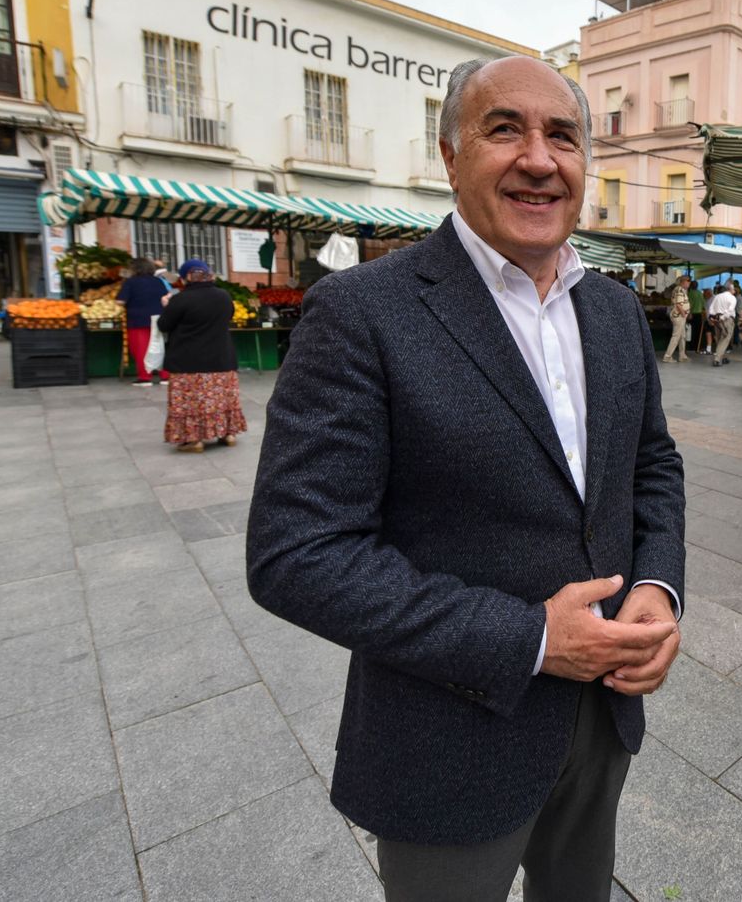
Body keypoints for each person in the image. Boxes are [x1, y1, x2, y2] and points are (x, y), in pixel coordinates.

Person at [247, 55, 684, 902]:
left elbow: (652, 462)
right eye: (504, 129)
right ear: (449, 157)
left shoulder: (615, 310)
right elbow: (296, 554)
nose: (538, 158)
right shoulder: (362, 313)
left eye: (562, 135)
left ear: (584, 165)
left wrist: (660, 586)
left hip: (602, 719)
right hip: (446, 737)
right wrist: (527, 639)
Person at [157, 259, 246, 453]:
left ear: (185, 278)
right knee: (222, 399)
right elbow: (228, 316)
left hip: (189, 362)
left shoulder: (180, 299)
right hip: (221, 360)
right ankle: (227, 433)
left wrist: (166, 305)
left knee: (191, 402)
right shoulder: (223, 296)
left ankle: (194, 440)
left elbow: (164, 325)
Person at [117, 258, 171, 386]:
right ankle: (165, 376)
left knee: (141, 349)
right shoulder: (158, 281)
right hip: (158, 318)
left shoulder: (130, 282)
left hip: (137, 319)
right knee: (159, 347)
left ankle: (144, 377)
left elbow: (121, 301)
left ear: (135, 269)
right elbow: (166, 297)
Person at [662, 275, 691, 363]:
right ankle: (667, 356)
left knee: (682, 336)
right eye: (688, 281)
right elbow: (679, 304)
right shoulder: (680, 290)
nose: (689, 283)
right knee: (676, 336)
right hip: (679, 316)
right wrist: (683, 314)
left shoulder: (681, 289)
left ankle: (682, 356)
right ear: (683, 282)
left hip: (680, 316)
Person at [709, 282, 737, 366]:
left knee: (720, 339)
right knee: (725, 339)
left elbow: (711, 308)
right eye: (734, 289)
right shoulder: (732, 298)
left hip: (716, 319)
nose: (734, 291)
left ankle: (723, 357)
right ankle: (717, 359)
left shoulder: (717, 296)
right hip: (726, 319)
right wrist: (723, 317)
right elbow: (730, 310)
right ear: (730, 289)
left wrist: (712, 318)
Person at [687, 275, 706, 356]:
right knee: (698, 331)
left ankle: (692, 346)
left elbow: (689, 305)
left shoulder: (690, 293)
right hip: (699, 315)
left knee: (692, 331)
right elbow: (703, 304)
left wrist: (689, 313)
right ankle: (698, 346)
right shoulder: (700, 293)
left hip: (692, 314)